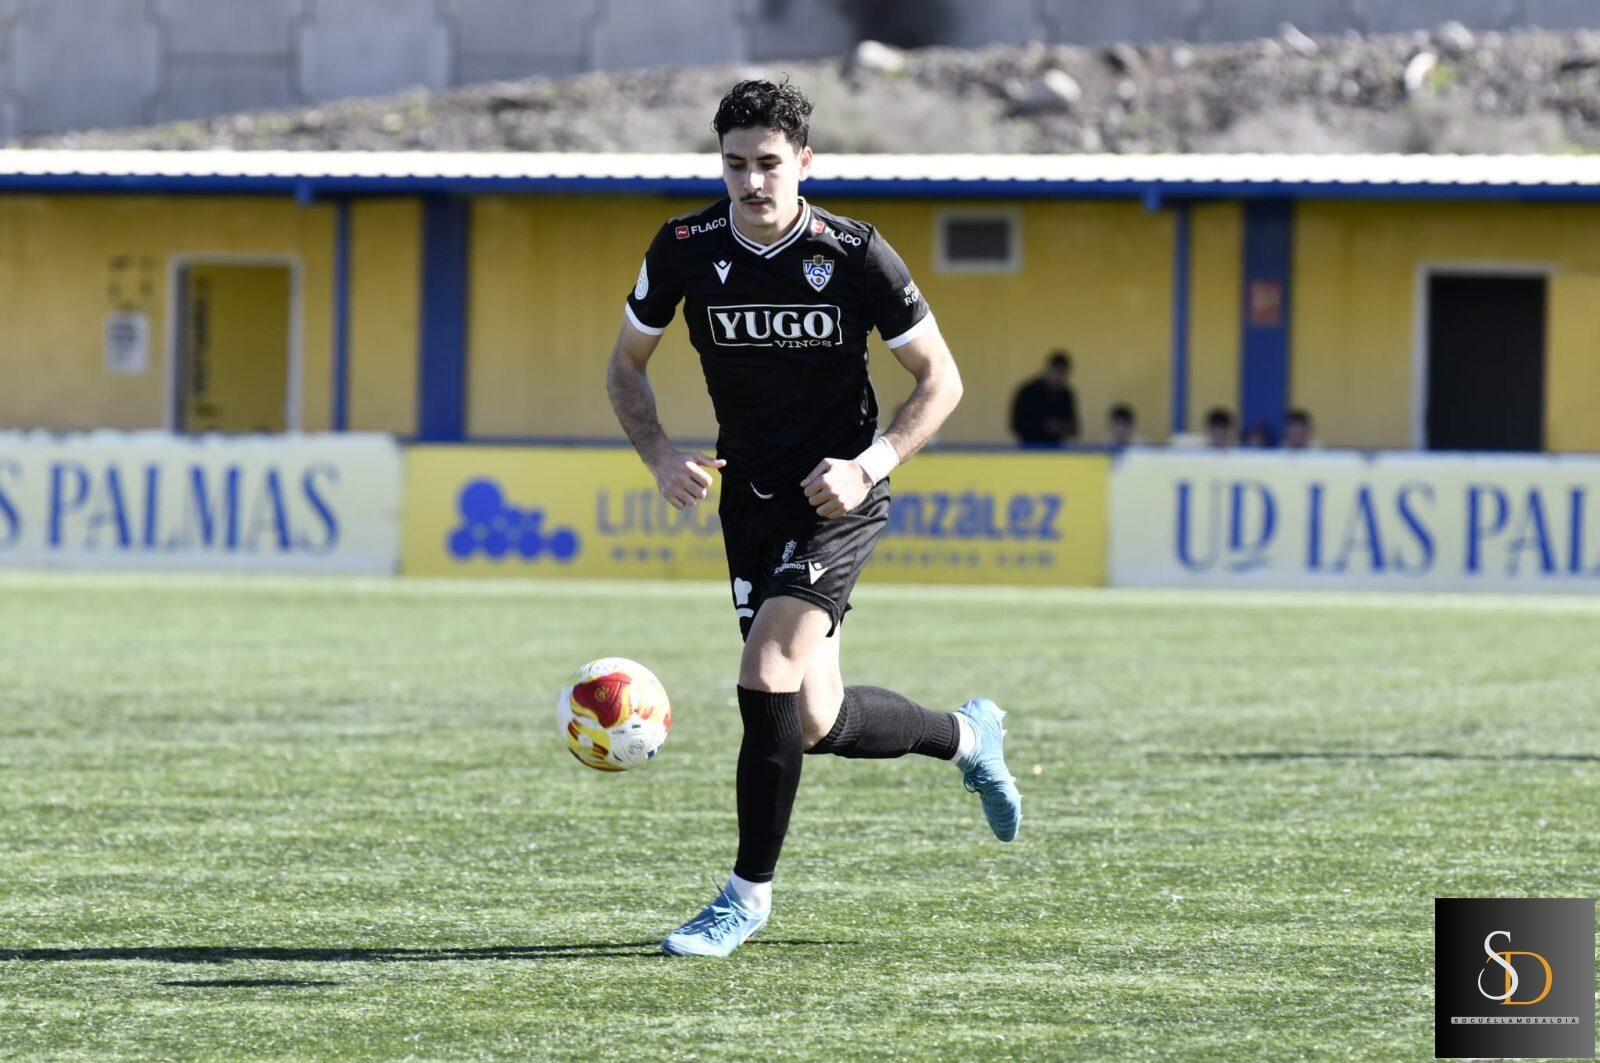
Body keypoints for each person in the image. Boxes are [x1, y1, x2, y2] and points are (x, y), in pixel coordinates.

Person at [606, 79, 1021, 959]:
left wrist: (870, 464)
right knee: (812, 720)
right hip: (751, 498)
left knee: (765, 673)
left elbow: (941, 380)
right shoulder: (682, 248)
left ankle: (744, 898)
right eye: (735, 165)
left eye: (768, 163)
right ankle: (967, 736)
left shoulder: (858, 254)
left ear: (804, 161)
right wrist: (659, 455)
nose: (751, 182)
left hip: (840, 496)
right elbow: (625, 365)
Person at [1009, 351, 1079, 446]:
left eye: (1063, 374)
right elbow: (1016, 424)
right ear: (1048, 369)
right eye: (1057, 372)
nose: (1059, 377)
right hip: (1028, 447)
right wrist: (1043, 426)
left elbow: (1074, 428)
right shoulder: (1028, 392)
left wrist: (1061, 427)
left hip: (1056, 449)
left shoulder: (1066, 394)